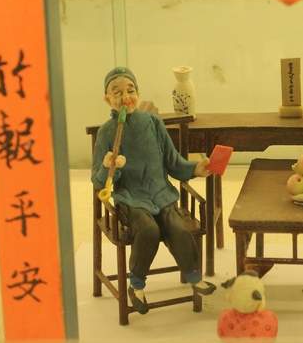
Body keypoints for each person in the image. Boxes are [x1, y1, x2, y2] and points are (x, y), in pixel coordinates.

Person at [92, 66, 215, 314]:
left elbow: (173, 161)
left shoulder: (153, 123)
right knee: (148, 230)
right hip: (131, 199)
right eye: (117, 92)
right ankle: (136, 285)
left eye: (130, 90)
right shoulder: (107, 132)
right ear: (107, 99)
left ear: (138, 93)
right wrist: (109, 167)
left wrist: (195, 169)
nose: (125, 97)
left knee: (178, 228)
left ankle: (193, 276)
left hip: (161, 194)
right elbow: (98, 181)